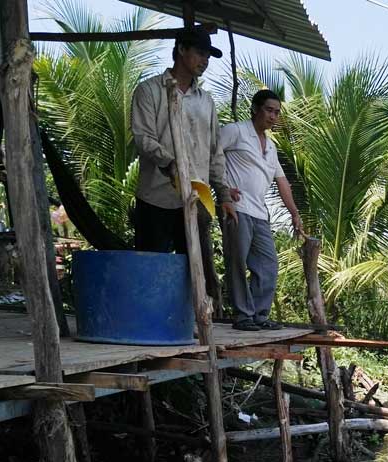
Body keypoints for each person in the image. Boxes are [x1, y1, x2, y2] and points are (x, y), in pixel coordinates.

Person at [130, 25, 232, 308]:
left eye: (208, 56)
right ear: (181, 50)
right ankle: (150, 321)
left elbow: (215, 151)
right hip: (157, 195)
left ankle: (191, 323)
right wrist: (172, 164)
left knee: (195, 267)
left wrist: (223, 194)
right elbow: (143, 138)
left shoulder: (207, 101)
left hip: (197, 196)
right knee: (152, 265)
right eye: (200, 53)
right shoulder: (150, 91)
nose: (205, 60)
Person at [219, 90, 303, 331]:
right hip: (236, 207)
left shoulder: (271, 147)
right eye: (269, 110)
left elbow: (282, 181)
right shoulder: (235, 131)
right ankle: (243, 316)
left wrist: (295, 213)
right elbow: (209, 154)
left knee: (268, 265)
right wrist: (222, 188)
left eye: (277, 112)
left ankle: (259, 315)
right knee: (237, 261)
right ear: (255, 108)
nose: (273, 116)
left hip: (260, 213)